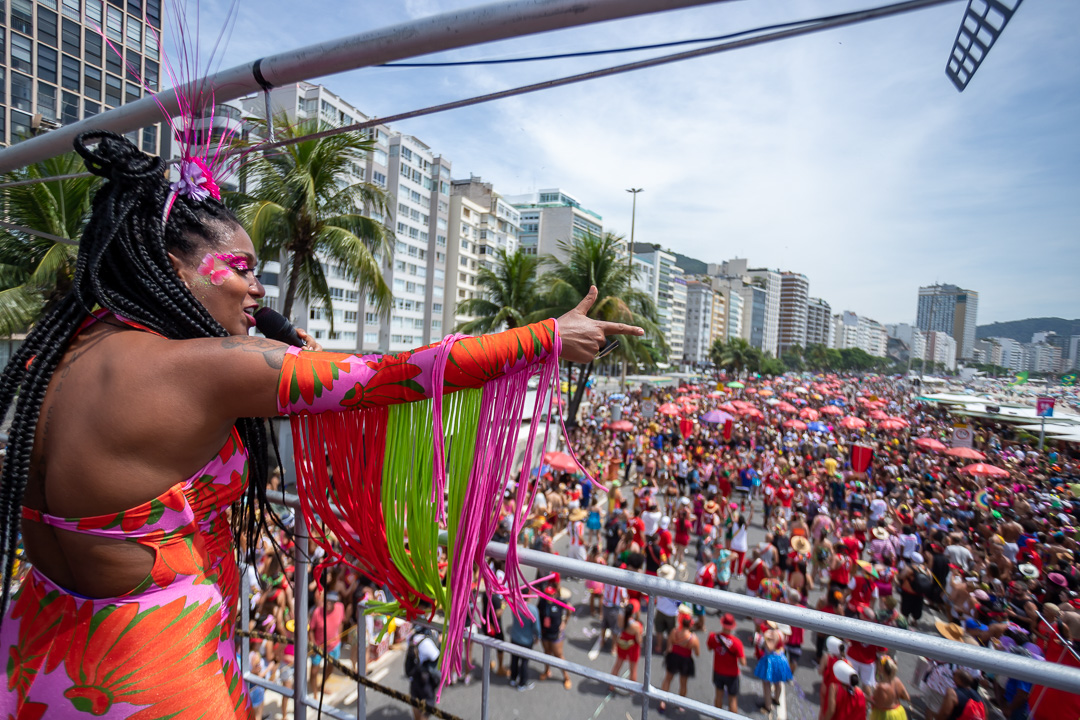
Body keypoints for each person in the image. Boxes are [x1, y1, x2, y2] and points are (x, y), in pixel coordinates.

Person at [0, 132, 642, 718]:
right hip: (151, 674)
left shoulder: (48, 355)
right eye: (243, 269)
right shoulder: (200, 368)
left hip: (31, 653)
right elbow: (397, 373)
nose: (258, 292)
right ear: (171, 267)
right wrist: (547, 337)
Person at [658, 606, 700, 714]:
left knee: (668, 678)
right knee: (683, 683)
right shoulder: (693, 638)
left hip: (673, 657)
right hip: (685, 660)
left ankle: (662, 701)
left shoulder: (674, 632)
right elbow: (697, 653)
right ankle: (681, 703)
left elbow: (669, 644)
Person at [308, 588, 346, 693]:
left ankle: (321, 686)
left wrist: (339, 636)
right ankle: (315, 693)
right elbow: (311, 630)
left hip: (334, 646)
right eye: (327, 601)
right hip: (319, 647)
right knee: (314, 671)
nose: (328, 603)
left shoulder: (340, 607)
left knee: (331, 666)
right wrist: (314, 645)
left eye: (331, 602)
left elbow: (342, 621)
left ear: (335, 602)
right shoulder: (317, 612)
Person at [537, 579, 573, 690]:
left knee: (558, 656)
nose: (549, 596)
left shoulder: (559, 602)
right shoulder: (542, 602)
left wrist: (565, 622)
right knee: (547, 653)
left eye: (551, 594)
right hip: (545, 633)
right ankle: (547, 670)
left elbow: (570, 609)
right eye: (547, 594)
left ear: (555, 594)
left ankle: (566, 677)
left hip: (555, 634)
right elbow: (538, 613)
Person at [709, 614, 746, 714]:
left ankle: (716, 717)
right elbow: (743, 662)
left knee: (718, 696)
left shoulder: (713, 637)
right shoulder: (737, 643)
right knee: (732, 700)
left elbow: (709, 647)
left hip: (718, 671)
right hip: (732, 675)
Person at [754, 621, 793, 714]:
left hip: (772, 659)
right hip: (780, 657)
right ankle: (776, 699)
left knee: (766, 683)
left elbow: (770, 647)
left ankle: (768, 706)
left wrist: (764, 637)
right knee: (777, 681)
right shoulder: (784, 634)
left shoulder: (775, 633)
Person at [406, 628, 442, 720]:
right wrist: (440, 643)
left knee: (415, 702)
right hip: (425, 681)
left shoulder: (411, 637)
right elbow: (436, 656)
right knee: (426, 711)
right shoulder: (426, 642)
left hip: (414, 678)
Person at [508, 600, 541, 691]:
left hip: (515, 636)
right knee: (524, 662)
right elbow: (536, 627)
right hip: (526, 640)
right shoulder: (533, 610)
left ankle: (513, 678)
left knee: (514, 659)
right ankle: (522, 683)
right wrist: (538, 637)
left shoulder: (515, 605)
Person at [612, 602, 645, 691]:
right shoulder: (636, 626)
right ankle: (632, 690)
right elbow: (639, 640)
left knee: (617, 665)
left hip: (622, 642)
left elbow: (619, 627)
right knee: (633, 669)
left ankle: (611, 685)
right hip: (632, 647)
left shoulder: (620, 618)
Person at [871, 656, 910, 720]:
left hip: (885, 715)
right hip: (898, 713)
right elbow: (907, 697)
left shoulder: (881, 687)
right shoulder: (897, 681)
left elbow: (879, 705)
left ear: (881, 668)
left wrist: (866, 697)